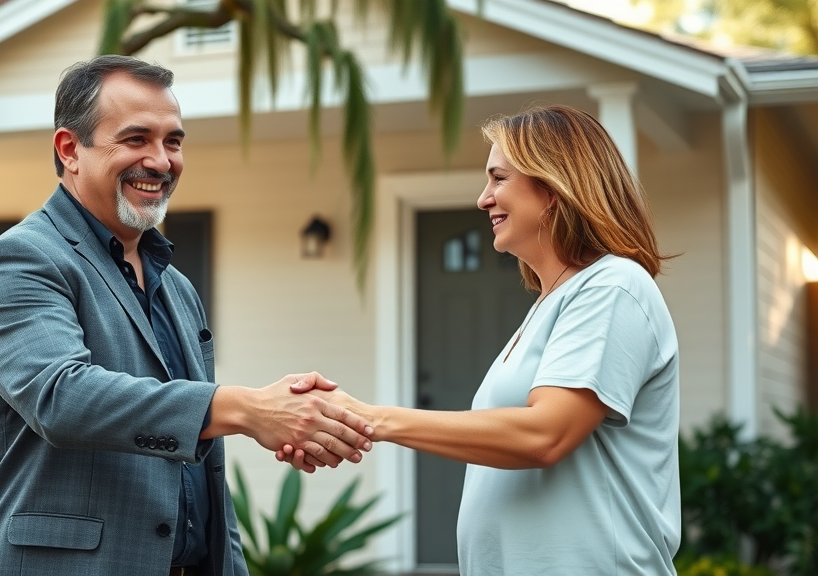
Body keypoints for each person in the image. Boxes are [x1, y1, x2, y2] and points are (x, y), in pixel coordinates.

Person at [0, 55, 373, 576]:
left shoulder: (175, 286)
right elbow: (61, 397)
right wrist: (247, 408)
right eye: (135, 140)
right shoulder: (21, 260)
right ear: (70, 150)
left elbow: (200, 474)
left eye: (172, 141)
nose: (160, 161)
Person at [280, 105, 681, 575]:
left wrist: (369, 419)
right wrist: (343, 422)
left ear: (552, 187)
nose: (483, 199)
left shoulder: (613, 287)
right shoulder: (553, 304)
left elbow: (544, 435)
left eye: (498, 178)